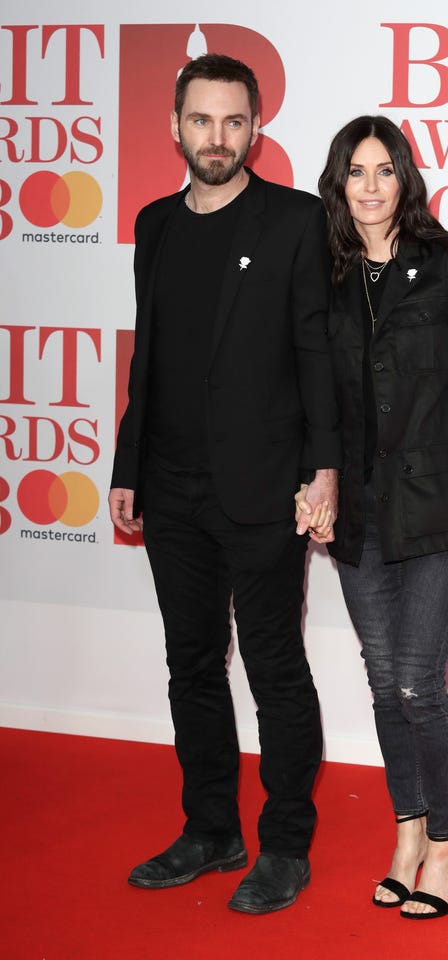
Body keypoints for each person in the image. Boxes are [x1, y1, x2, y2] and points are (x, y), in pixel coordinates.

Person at [108, 53, 340, 915]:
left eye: (234, 122)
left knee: (276, 670)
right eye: (202, 121)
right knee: (191, 663)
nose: (218, 138)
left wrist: (324, 472)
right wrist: (129, 465)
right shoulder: (154, 225)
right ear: (174, 127)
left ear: (255, 129)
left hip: (265, 488)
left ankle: (284, 845)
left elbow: (316, 356)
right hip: (170, 488)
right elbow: (151, 358)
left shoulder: (293, 222)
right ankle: (210, 829)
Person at [302, 115, 448, 919]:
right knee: (382, 685)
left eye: (383, 170)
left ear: (406, 179)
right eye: (355, 171)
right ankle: (408, 831)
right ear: (339, 182)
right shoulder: (325, 276)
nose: (369, 187)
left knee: (416, 684)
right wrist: (313, 485)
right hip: (358, 510)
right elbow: (312, 398)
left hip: (442, 502)